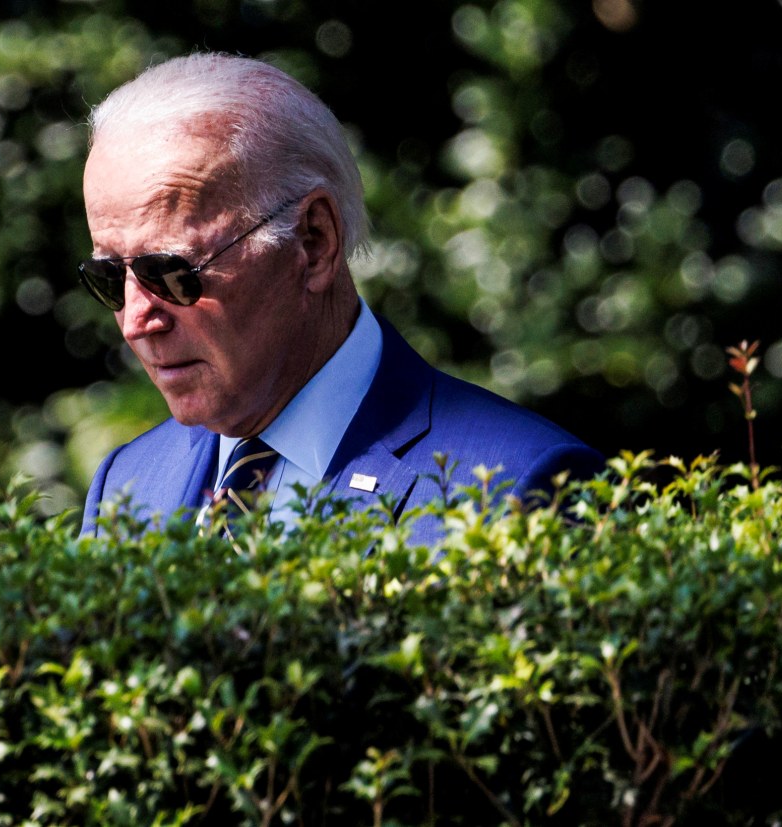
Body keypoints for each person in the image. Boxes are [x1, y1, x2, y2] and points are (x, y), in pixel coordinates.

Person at [78, 52, 601, 545]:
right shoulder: (127, 482)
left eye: (170, 273)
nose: (135, 321)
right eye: (108, 276)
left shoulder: (519, 489)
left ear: (314, 242)